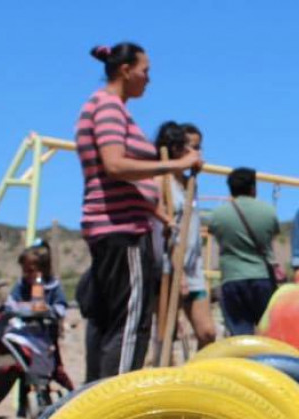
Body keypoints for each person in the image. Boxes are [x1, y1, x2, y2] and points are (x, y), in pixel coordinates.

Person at [75, 42, 201, 381]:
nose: (148, 79)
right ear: (125, 70)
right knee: (131, 324)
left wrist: (153, 209)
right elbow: (114, 165)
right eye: (145, 71)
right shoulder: (108, 107)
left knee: (108, 321)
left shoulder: (107, 107)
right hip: (122, 231)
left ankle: (91, 403)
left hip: (114, 225)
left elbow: (112, 176)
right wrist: (176, 164)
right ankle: (113, 406)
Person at [152, 121, 215, 349]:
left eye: (199, 147)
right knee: (167, 335)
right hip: (171, 266)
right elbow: (162, 226)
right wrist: (179, 274)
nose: (196, 153)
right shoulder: (161, 180)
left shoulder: (190, 183)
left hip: (193, 266)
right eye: (191, 147)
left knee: (207, 332)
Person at [208, 167, 280, 336]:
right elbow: (273, 235)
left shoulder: (218, 214)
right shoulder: (268, 211)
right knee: (268, 333)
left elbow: (214, 234)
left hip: (232, 278)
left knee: (239, 334)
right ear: (253, 187)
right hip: (262, 277)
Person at [3, 241, 70, 384]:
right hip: (24, 333)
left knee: (51, 369)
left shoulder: (52, 286)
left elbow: (61, 307)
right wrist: (21, 309)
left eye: (31, 270)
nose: (26, 274)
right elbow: (10, 305)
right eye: (24, 270)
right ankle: (24, 401)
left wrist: (48, 310)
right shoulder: (21, 285)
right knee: (23, 366)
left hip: (46, 335)